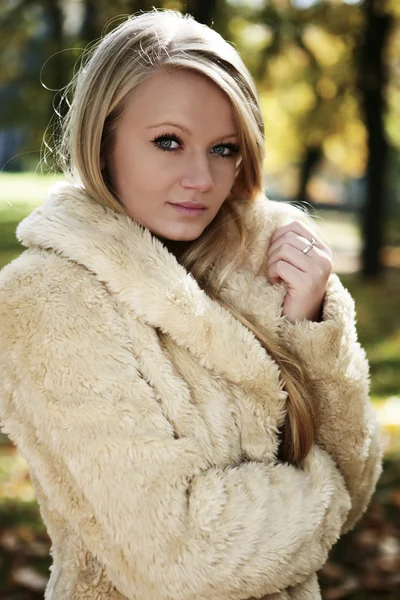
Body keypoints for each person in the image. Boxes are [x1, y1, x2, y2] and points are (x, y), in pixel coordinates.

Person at [0, 9, 382, 600]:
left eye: (224, 148)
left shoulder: (264, 270)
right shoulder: (45, 300)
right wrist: (324, 487)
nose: (201, 178)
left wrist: (309, 330)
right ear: (102, 141)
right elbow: (185, 559)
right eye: (168, 142)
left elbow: (361, 477)